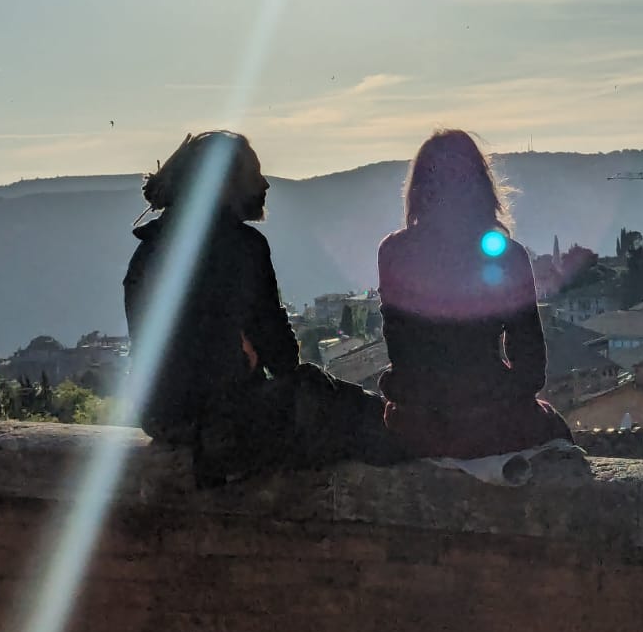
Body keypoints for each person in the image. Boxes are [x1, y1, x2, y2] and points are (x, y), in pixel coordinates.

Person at [124, 131, 404, 485]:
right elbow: (283, 357)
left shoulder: (148, 249)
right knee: (331, 399)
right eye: (254, 174)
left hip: (161, 418)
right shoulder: (241, 247)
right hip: (223, 422)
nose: (265, 184)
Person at [377, 129, 572, 459]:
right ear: (480, 186)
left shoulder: (395, 251)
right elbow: (531, 364)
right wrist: (495, 397)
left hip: (417, 424)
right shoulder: (507, 255)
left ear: (420, 189)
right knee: (560, 440)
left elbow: (401, 349)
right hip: (489, 422)